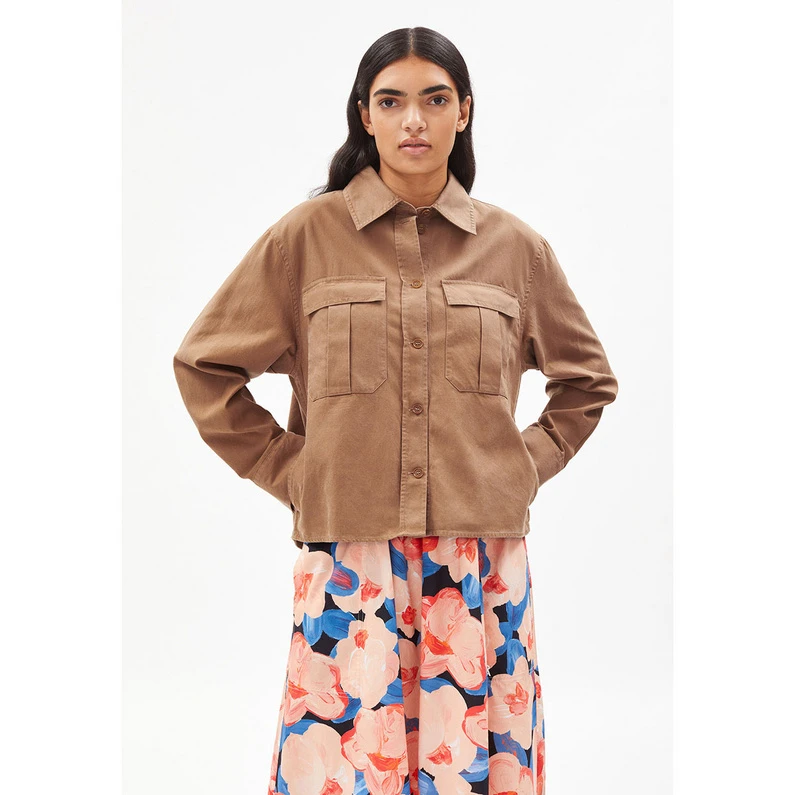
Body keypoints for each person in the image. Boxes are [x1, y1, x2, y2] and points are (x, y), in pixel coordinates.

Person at [173, 26, 618, 795]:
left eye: (434, 100)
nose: (413, 119)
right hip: (351, 560)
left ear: (463, 112)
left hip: (478, 566)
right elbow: (204, 367)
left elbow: (586, 382)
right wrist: (294, 471)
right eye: (391, 101)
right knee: (346, 769)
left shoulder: (515, 249)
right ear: (365, 115)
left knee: (470, 767)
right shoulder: (306, 238)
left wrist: (520, 466)